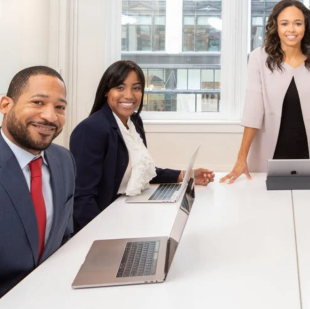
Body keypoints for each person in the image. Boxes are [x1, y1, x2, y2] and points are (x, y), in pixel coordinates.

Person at [220, 0, 310, 184]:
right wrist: (241, 158)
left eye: (298, 23)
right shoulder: (258, 58)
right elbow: (253, 111)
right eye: (284, 23)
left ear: (306, 26)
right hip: (268, 155)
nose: (291, 30)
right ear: (275, 27)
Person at [71, 61, 214, 231]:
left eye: (136, 88)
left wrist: (185, 175)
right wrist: (100, 235)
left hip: (125, 210)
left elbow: (140, 170)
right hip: (104, 221)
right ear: (106, 91)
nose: (129, 95)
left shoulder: (134, 122)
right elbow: (82, 198)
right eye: (120, 87)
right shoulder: (91, 129)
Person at [0, 67, 75, 308]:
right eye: (38, 102)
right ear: (5, 105)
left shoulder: (64, 160)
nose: (50, 117)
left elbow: (65, 237)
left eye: (60, 107)